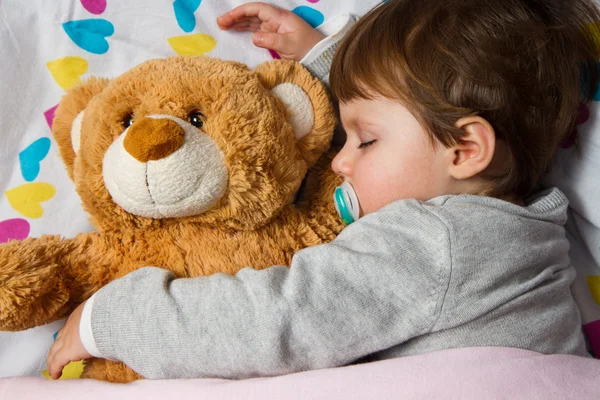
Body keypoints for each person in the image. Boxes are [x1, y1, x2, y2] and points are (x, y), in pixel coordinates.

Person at [47, 0, 600, 380]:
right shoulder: (515, 221)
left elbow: (279, 321)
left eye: (365, 140)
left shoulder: (436, 241)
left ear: (466, 149)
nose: (339, 159)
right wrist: (326, 57)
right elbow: (409, 109)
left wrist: (114, 319)